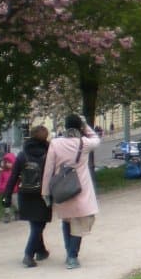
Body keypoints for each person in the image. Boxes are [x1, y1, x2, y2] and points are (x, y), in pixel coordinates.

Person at [41, 114, 100, 269]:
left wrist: (46, 191)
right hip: (81, 188)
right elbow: (96, 138)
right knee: (79, 223)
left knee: (67, 221)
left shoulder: (55, 143)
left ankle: (69, 252)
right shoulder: (84, 143)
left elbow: (49, 169)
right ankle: (72, 256)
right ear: (79, 127)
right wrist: (85, 124)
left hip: (62, 187)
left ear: (66, 127)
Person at [5, 125, 52, 268]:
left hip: (25, 193)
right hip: (42, 193)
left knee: (35, 223)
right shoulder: (49, 153)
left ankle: (41, 250)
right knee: (39, 225)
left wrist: (7, 195)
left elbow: (13, 177)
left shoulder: (22, 154)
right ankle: (28, 254)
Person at [0, 152, 17, 222]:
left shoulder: (16, 172)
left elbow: (19, 181)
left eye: (10, 162)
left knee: (15, 204)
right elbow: (0, 181)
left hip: (14, 191)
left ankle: (17, 212)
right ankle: (7, 215)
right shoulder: (3, 172)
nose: (8, 164)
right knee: (5, 203)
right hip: (4, 192)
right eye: (6, 162)